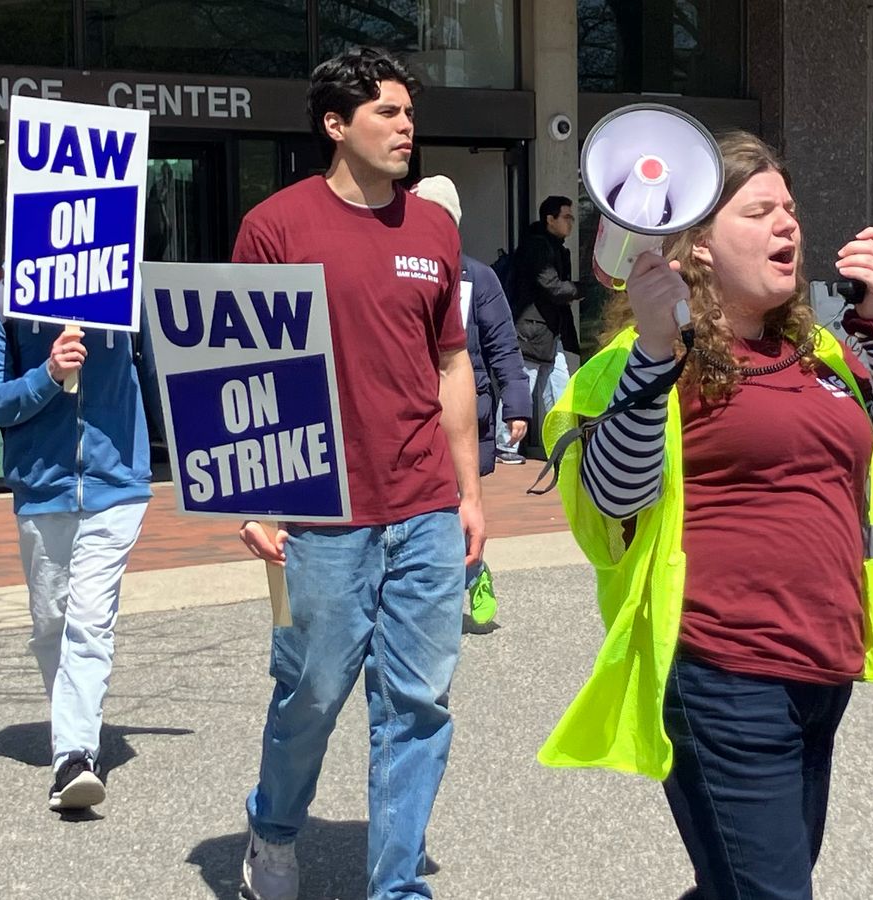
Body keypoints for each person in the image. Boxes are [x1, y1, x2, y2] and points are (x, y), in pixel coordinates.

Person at [536, 131, 873, 899]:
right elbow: (615, 493)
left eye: (790, 210)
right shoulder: (647, 357)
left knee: (747, 882)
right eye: (759, 212)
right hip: (722, 673)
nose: (787, 224)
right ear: (698, 244)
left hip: (823, 670)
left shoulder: (820, 353)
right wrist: (654, 354)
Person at [231, 48, 483, 900]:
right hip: (321, 514)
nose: (407, 127)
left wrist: (469, 494)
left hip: (424, 507)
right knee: (311, 693)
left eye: (410, 113)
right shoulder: (275, 228)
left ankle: (397, 885)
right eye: (387, 112)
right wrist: (253, 500)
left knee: (417, 704)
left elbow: (451, 363)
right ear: (336, 125)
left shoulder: (434, 229)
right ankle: (273, 829)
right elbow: (240, 369)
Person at [0, 271, 152, 812]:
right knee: (51, 622)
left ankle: (74, 756)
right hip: (41, 488)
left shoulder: (129, 288)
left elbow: (170, 369)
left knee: (89, 621)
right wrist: (48, 374)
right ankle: (71, 732)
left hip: (118, 484)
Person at [411, 175, 531, 635]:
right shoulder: (398, 270)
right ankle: (430, 593)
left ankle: (474, 570)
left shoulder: (477, 277)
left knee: (458, 506)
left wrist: (516, 403)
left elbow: (503, 343)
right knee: (424, 510)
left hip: (466, 413)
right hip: (412, 414)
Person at [496, 195, 580, 465]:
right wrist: (580, 289)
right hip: (531, 331)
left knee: (560, 390)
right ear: (550, 219)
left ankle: (562, 447)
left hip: (550, 333)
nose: (571, 222)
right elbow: (552, 287)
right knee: (522, 386)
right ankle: (505, 445)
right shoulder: (537, 247)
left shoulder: (557, 248)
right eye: (566, 217)